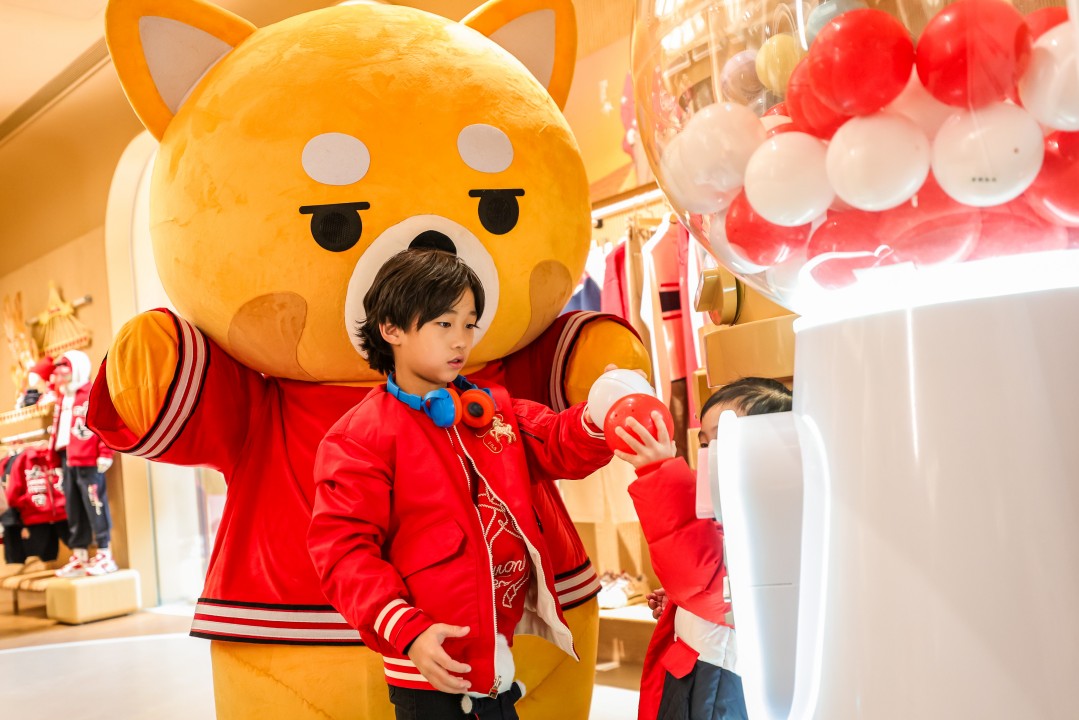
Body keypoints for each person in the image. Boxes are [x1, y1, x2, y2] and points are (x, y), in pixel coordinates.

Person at [308, 249, 617, 720]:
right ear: (391, 329)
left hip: (497, 668)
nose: (461, 340)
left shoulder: (491, 409)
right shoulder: (359, 436)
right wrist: (406, 630)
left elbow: (558, 441)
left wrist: (600, 410)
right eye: (444, 323)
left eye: (469, 324)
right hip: (428, 675)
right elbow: (343, 552)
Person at [613, 377, 792, 720]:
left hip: (718, 679)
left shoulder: (773, 514)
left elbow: (708, 584)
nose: (711, 455)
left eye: (723, 441)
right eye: (705, 444)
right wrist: (681, 601)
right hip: (697, 665)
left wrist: (658, 471)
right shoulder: (726, 502)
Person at [51, 351, 117, 577]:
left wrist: (105, 452)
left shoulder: (91, 393)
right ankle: (80, 555)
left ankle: (105, 554)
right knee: (73, 508)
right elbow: (58, 430)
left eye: (65, 367)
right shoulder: (63, 397)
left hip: (88, 459)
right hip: (66, 458)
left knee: (95, 503)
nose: (60, 373)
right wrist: (55, 460)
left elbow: (103, 423)